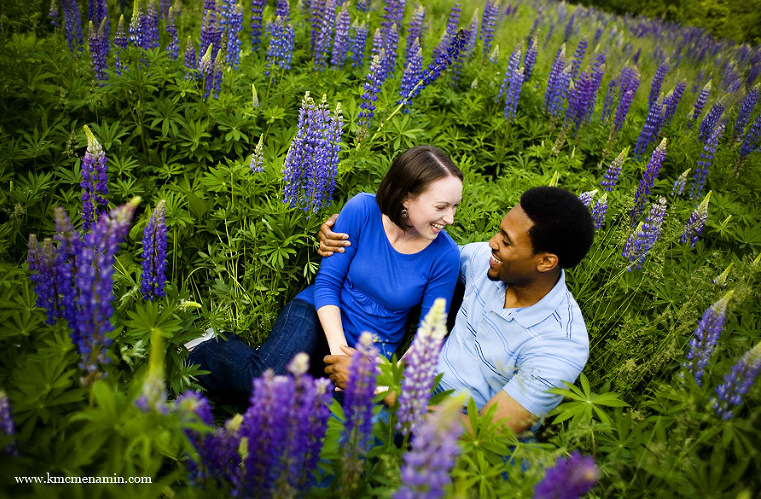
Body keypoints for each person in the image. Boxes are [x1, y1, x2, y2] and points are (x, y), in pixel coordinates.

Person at [187, 145, 464, 400]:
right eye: (441, 207)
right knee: (265, 383)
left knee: (310, 421)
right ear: (406, 197)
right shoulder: (363, 210)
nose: (450, 218)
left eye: (455, 207)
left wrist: (385, 382)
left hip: (371, 351)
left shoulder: (445, 256)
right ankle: (207, 348)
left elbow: (429, 335)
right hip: (318, 315)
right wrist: (340, 354)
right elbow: (327, 284)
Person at [319, 186, 595, 435]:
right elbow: (426, 252)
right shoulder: (485, 263)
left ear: (546, 262)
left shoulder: (560, 344)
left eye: (507, 241)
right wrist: (346, 227)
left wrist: (377, 388)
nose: (492, 243)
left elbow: (483, 431)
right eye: (499, 231)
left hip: (460, 426)